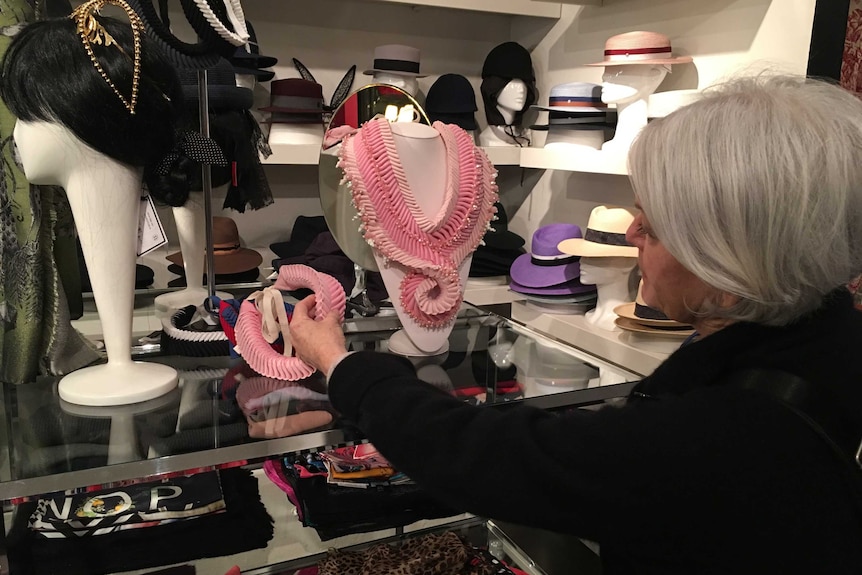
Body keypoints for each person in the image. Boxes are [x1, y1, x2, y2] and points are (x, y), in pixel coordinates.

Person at [289, 74, 862, 574]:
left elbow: (488, 456)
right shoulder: (828, 332)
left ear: (723, 262)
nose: (633, 234)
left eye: (655, 226)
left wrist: (340, 364)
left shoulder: (722, 438)